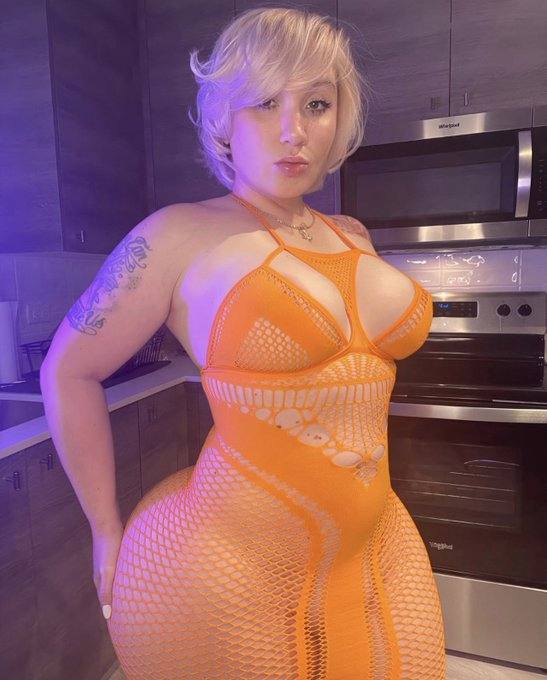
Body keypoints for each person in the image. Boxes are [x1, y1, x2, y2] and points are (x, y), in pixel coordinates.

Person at [40, 6, 446, 679]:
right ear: (223, 119)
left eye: (316, 104)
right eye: (263, 103)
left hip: (376, 545)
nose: (294, 131)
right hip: (236, 566)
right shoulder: (174, 236)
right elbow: (67, 371)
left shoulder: (352, 234)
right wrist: (104, 529)